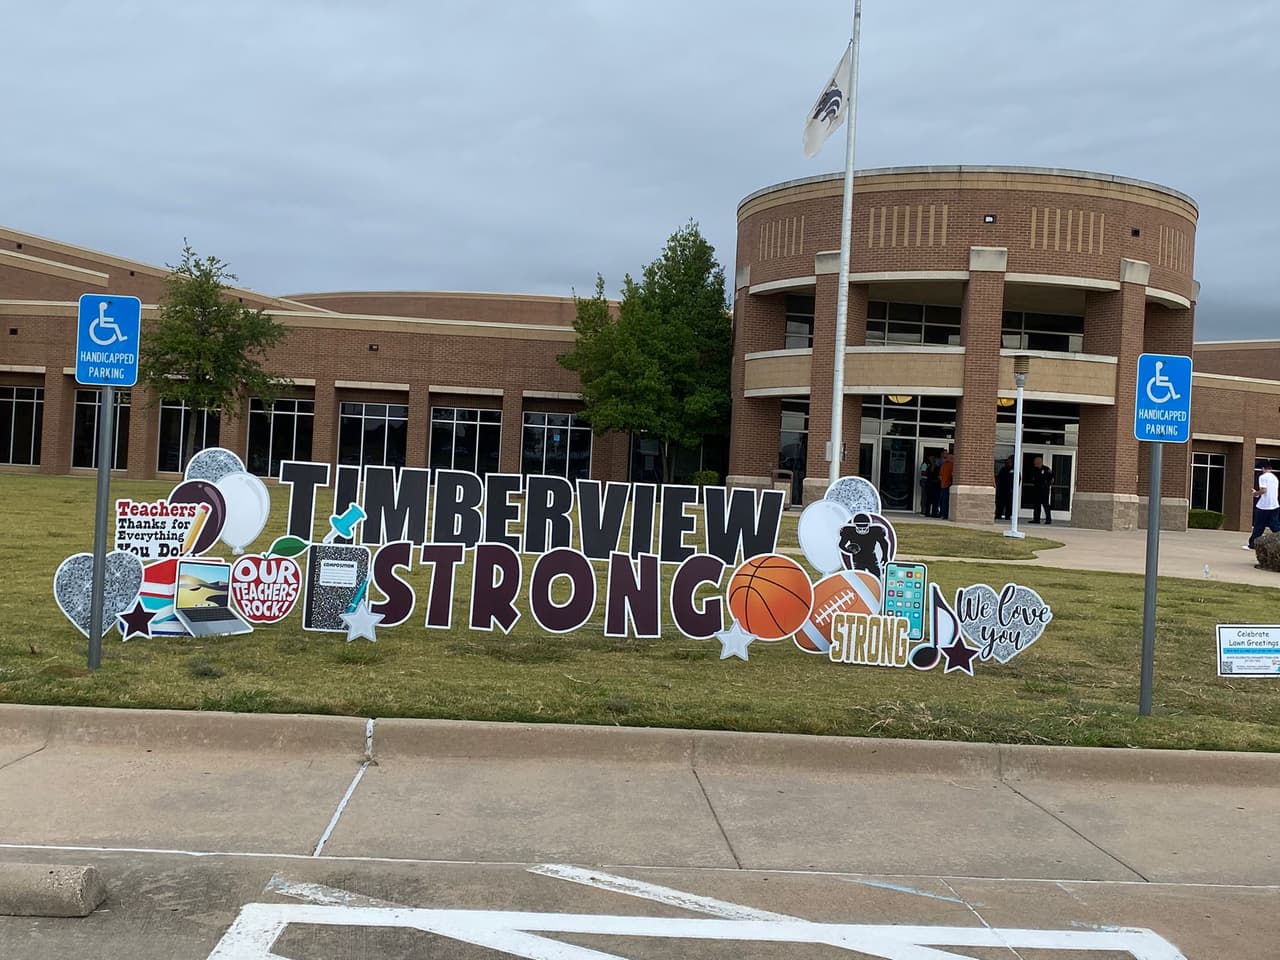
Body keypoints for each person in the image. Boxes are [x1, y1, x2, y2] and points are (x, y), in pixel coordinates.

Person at [1245, 461, 1280, 550]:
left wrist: (1255, 493)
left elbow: (1264, 490)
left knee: (1259, 526)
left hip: (1264, 506)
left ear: (1263, 469)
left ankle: (1252, 544)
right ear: (1271, 469)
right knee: (1275, 525)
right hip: (1275, 505)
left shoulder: (1263, 477)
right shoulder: (1275, 478)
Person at [1028, 455, 1054, 524]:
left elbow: (1052, 479)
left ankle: (1048, 519)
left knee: (1046, 505)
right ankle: (1036, 519)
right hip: (1036, 490)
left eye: (1036, 461)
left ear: (1040, 462)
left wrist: (1047, 485)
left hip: (1044, 490)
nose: (1034, 463)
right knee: (1036, 505)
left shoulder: (1046, 469)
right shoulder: (1034, 470)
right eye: (1034, 462)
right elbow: (1032, 479)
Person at [995, 455, 1014, 521]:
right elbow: (999, 478)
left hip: (1010, 490)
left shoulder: (1015, 470)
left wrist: (1013, 489)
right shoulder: (1003, 469)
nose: (1008, 461)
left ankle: (1008, 516)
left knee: (1009, 504)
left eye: (1009, 460)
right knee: (1000, 503)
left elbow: (1018, 479)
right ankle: (998, 515)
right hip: (1002, 489)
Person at [938, 452, 954, 520]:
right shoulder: (952, 465)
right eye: (952, 458)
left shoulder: (943, 465)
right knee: (946, 501)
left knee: (942, 501)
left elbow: (940, 476)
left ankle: (942, 514)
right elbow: (953, 475)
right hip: (948, 485)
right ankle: (945, 515)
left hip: (943, 485)